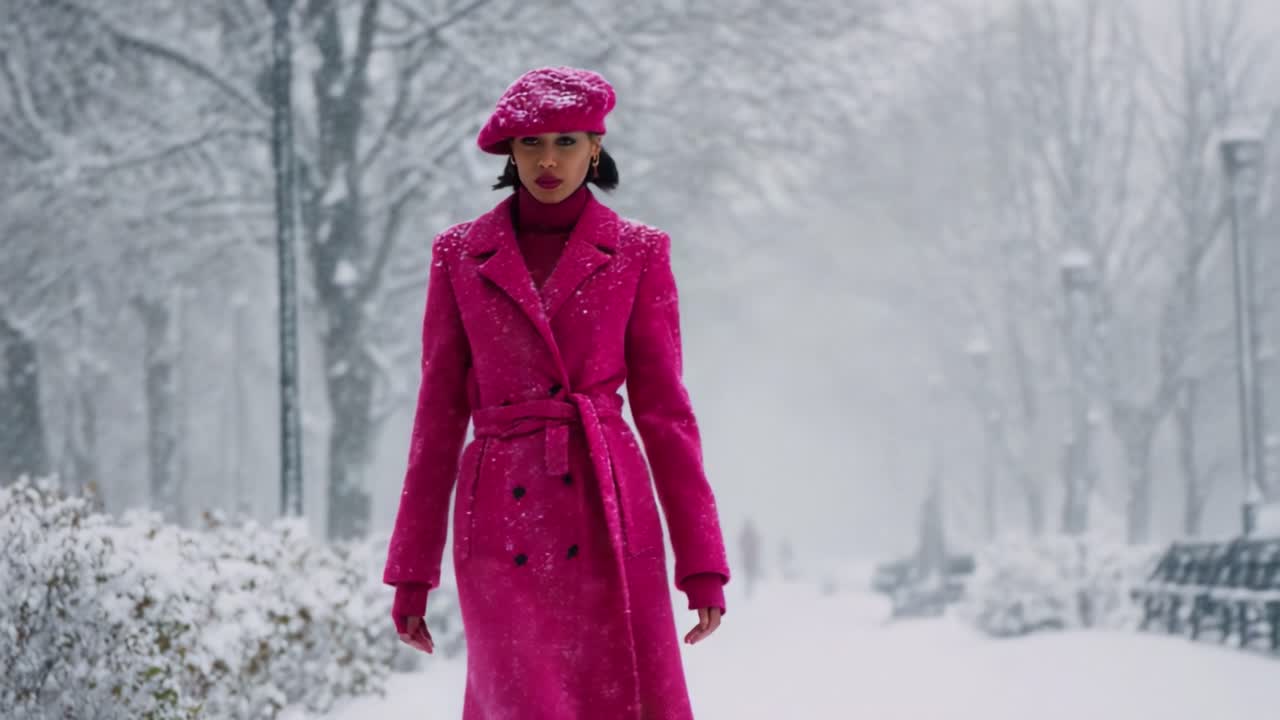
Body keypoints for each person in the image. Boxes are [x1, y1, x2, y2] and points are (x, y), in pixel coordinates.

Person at [382, 66, 732, 719]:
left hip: (609, 505)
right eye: (531, 144)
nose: (548, 160)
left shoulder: (639, 252)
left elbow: (666, 415)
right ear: (508, 154)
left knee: (614, 694)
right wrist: (411, 571)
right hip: (500, 515)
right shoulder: (458, 255)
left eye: (567, 142)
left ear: (596, 147)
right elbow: (437, 416)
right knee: (522, 697)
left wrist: (701, 564)